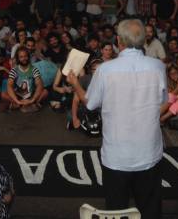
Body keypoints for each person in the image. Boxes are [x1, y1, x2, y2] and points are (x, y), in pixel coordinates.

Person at [68, 19, 166, 218]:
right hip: (148, 151)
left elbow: (90, 103)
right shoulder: (158, 67)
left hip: (117, 154)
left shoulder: (106, 70)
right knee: (150, 209)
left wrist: (75, 83)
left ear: (120, 42)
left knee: (116, 209)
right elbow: (162, 101)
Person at [1, 47, 48, 112]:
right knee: (3, 94)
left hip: (31, 96)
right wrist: (17, 101)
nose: (24, 59)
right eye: (21, 57)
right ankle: (21, 104)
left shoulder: (34, 69)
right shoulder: (14, 70)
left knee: (45, 92)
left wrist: (32, 99)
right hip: (18, 96)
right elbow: (9, 85)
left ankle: (30, 103)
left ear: (28, 57)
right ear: (18, 59)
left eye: (25, 56)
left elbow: (39, 84)